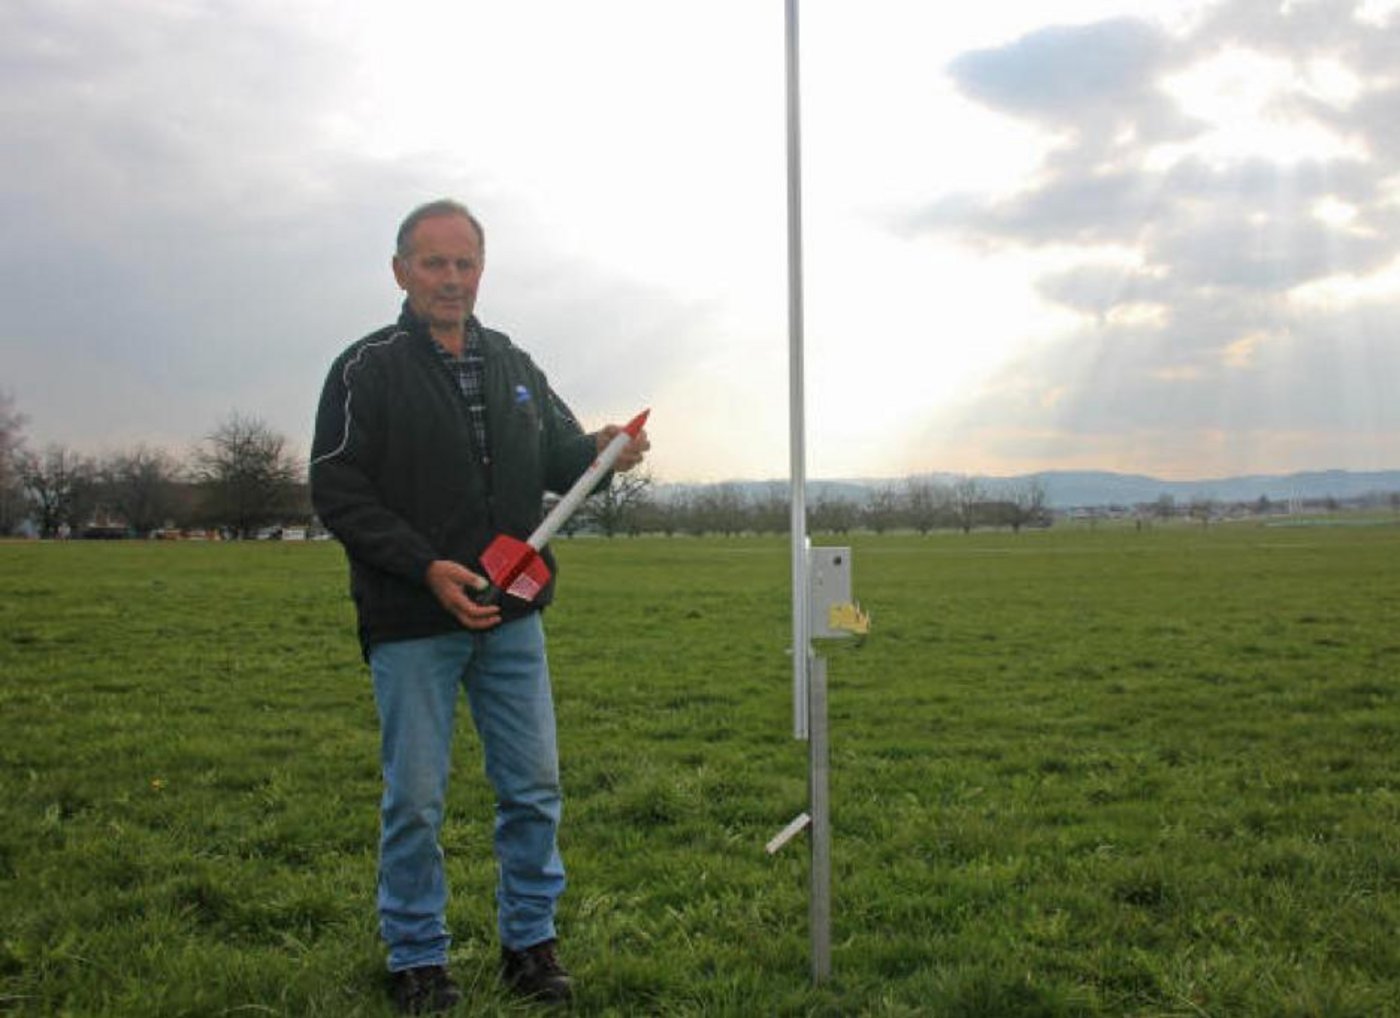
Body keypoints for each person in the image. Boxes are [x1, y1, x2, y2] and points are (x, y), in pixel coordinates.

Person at [310, 199, 649, 1014]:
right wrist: (425, 568)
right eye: (434, 263)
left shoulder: (513, 364)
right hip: (413, 619)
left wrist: (608, 450)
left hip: (513, 615)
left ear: (481, 271)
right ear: (401, 272)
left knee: (533, 789)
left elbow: (564, 460)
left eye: (464, 263)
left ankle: (530, 945)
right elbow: (337, 488)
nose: (451, 279)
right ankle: (418, 958)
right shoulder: (366, 369)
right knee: (416, 800)